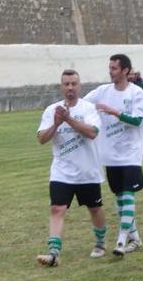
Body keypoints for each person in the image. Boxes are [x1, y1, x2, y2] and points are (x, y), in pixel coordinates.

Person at [35, 69, 106, 266]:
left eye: (73, 84)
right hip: (61, 171)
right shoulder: (52, 110)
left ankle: (100, 243)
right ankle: (54, 252)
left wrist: (69, 120)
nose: (70, 88)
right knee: (57, 209)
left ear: (79, 86)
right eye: (66, 84)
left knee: (95, 209)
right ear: (61, 86)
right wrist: (56, 124)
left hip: (87, 171)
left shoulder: (88, 108)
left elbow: (92, 132)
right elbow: (41, 139)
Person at [84, 53, 143, 257]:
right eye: (110, 67)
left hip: (131, 154)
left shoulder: (136, 93)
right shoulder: (103, 91)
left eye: (114, 68)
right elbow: (83, 105)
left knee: (128, 195)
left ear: (125, 71)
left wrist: (115, 113)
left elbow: (140, 121)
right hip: (110, 155)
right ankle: (135, 238)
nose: (110, 71)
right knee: (120, 198)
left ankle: (121, 240)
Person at [128, 70, 143, 174]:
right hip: (125, 119)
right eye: (130, 74)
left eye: (133, 74)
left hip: (138, 118)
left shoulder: (140, 86)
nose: (131, 76)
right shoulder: (121, 87)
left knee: (139, 142)